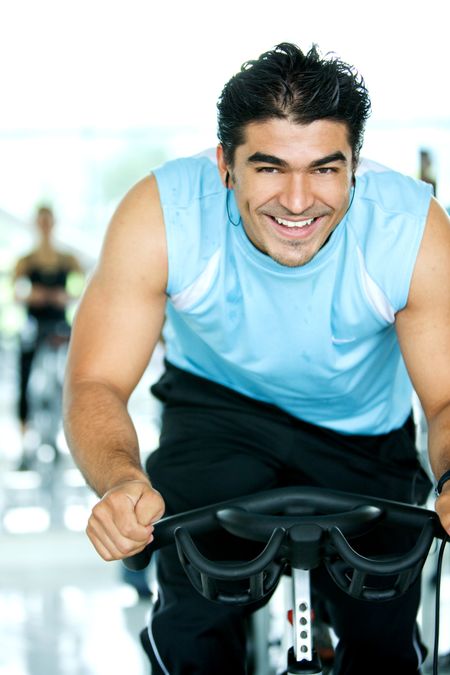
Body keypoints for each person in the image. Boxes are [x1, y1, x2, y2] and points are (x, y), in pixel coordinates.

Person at [63, 43, 450, 675]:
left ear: (356, 165)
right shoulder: (163, 216)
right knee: (191, 629)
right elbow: (96, 381)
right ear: (225, 165)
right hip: (218, 417)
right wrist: (122, 483)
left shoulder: (409, 229)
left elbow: (445, 399)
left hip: (363, 436)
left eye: (325, 169)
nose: (298, 202)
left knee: (385, 644)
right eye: (269, 168)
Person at [14, 205, 83, 468]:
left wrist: (64, 297)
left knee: (67, 383)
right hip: (34, 326)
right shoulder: (26, 260)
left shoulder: (67, 259)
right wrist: (33, 296)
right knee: (24, 381)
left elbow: (85, 290)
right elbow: (15, 294)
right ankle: (24, 445)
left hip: (58, 329)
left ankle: (63, 440)